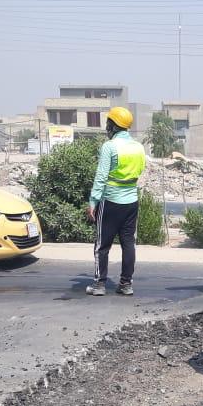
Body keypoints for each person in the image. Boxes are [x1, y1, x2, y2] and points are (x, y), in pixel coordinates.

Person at [85, 106, 146, 297]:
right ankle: (126, 284)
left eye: (108, 123)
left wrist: (93, 202)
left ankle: (99, 284)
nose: (106, 127)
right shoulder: (139, 147)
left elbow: (101, 177)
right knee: (128, 244)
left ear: (113, 125)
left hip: (110, 202)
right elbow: (140, 171)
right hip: (132, 202)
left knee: (102, 245)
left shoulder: (109, 146)